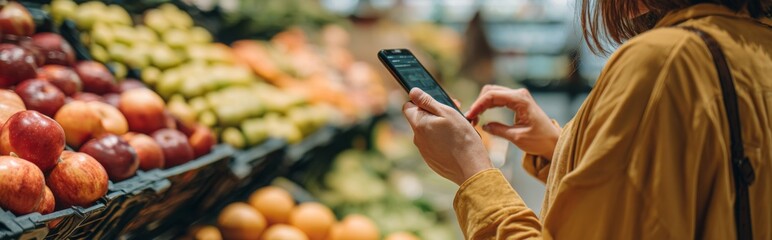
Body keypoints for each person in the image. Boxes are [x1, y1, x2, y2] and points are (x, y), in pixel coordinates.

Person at [401, 0, 772, 239]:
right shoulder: (754, 46)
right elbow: (696, 184)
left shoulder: (665, 60)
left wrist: (471, 169)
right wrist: (561, 146)